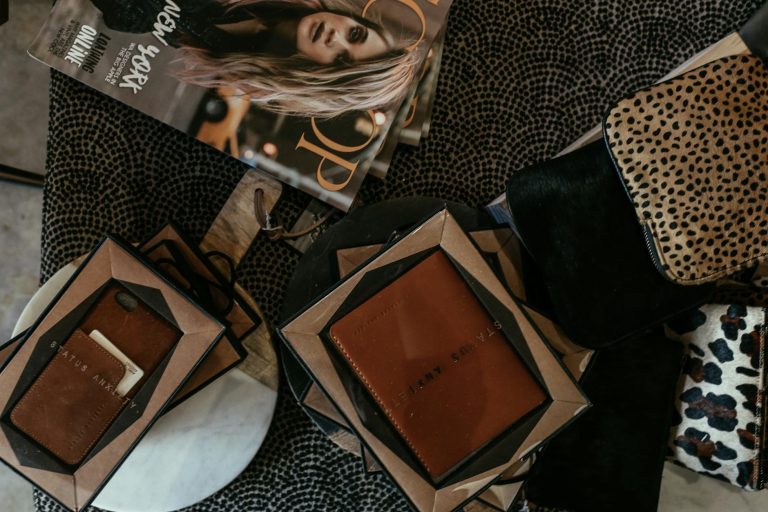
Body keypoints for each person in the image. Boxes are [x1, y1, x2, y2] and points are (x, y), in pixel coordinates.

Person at [91, 0, 422, 117]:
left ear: (320, 77)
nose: (335, 39)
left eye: (340, 61)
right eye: (355, 34)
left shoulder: (232, 55)